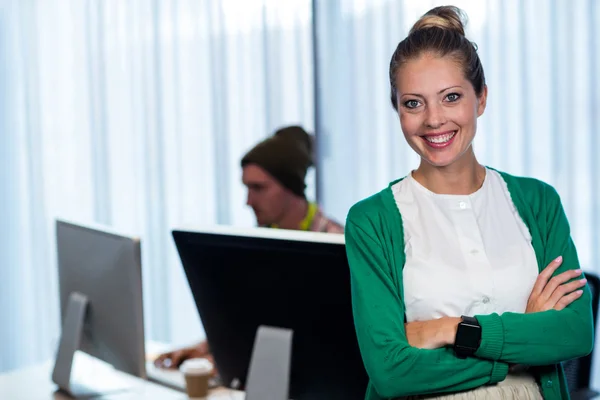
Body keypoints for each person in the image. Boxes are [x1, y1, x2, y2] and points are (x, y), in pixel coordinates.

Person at [344, 6, 593, 400]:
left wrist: (450, 329)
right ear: (397, 110)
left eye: (451, 97)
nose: (433, 120)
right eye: (413, 103)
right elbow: (391, 371)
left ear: (481, 99)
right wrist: (518, 348)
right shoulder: (371, 221)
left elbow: (575, 332)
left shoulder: (538, 202)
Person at [154, 125, 343, 370]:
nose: (248, 201)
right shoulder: (263, 243)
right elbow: (256, 319)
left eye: (259, 188)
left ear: (291, 187)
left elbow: (325, 338)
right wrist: (208, 348)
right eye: (247, 188)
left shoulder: (339, 246)